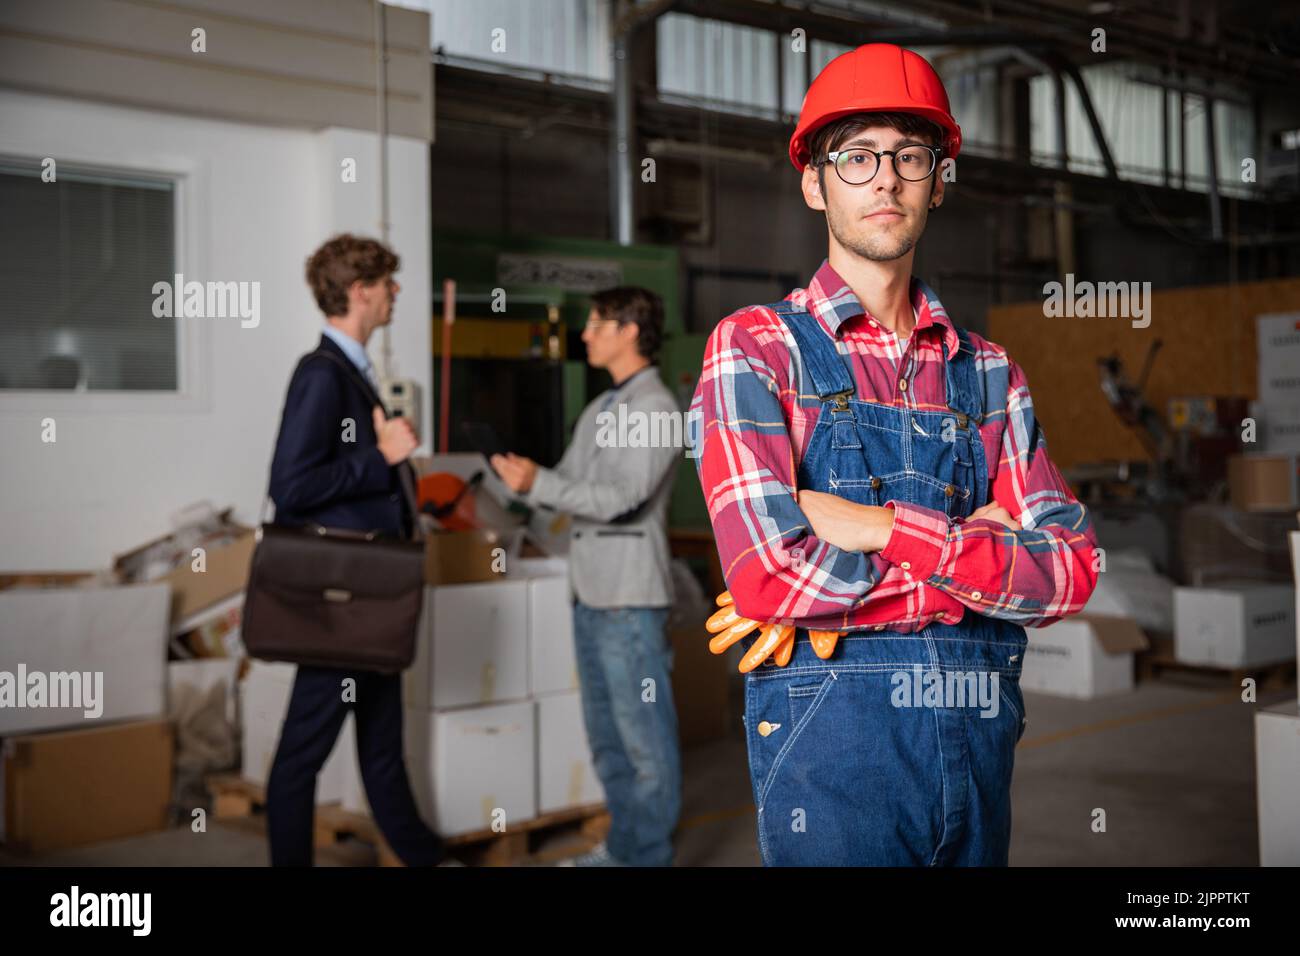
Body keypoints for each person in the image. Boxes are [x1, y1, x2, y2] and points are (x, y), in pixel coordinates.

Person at [688, 43, 1100, 866]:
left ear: (938, 181)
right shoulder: (757, 349)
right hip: (833, 746)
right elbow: (768, 574)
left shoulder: (987, 372)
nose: (885, 178)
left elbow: (1069, 569)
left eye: (911, 156)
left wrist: (875, 529)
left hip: (979, 742)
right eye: (857, 156)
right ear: (816, 182)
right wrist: (976, 554)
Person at [265, 233, 446, 867]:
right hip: (341, 605)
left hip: (369, 601)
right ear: (360, 291)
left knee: (380, 746)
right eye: (388, 283)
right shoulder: (323, 374)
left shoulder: (352, 371)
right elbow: (289, 486)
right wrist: (382, 459)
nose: (397, 293)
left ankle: (424, 857)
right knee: (300, 757)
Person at [492, 287, 681, 867]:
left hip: (629, 596)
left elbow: (623, 501)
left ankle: (646, 857)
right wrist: (510, 485)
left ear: (629, 330)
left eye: (597, 323)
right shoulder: (602, 409)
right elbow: (565, 486)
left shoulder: (657, 409)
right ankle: (625, 849)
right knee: (606, 737)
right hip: (590, 592)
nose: (585, 334)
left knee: (642, 740)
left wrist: (540, 486)